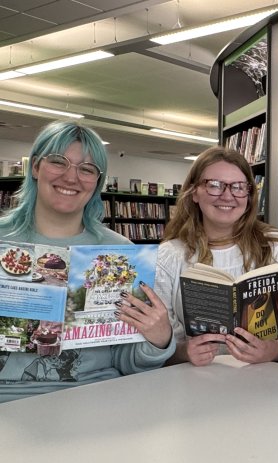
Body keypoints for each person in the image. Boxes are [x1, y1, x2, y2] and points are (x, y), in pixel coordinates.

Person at [0, 120, 173, 403]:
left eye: (87, 169)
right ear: (36, 167)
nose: (71, 177)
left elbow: (129, 362)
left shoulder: (119, 253)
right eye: (58, 162)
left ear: (97, 183)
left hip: (96, 395)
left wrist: (159, 338)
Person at [155, 146, 278, 367]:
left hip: (270, 377)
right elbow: (157, 343)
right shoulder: (169, 255)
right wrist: (184, 352)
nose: (227, 196)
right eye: (214, 185)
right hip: (198, 379)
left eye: (238, 187)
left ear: (249, 195)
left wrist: (275, 349)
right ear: (194, 192)